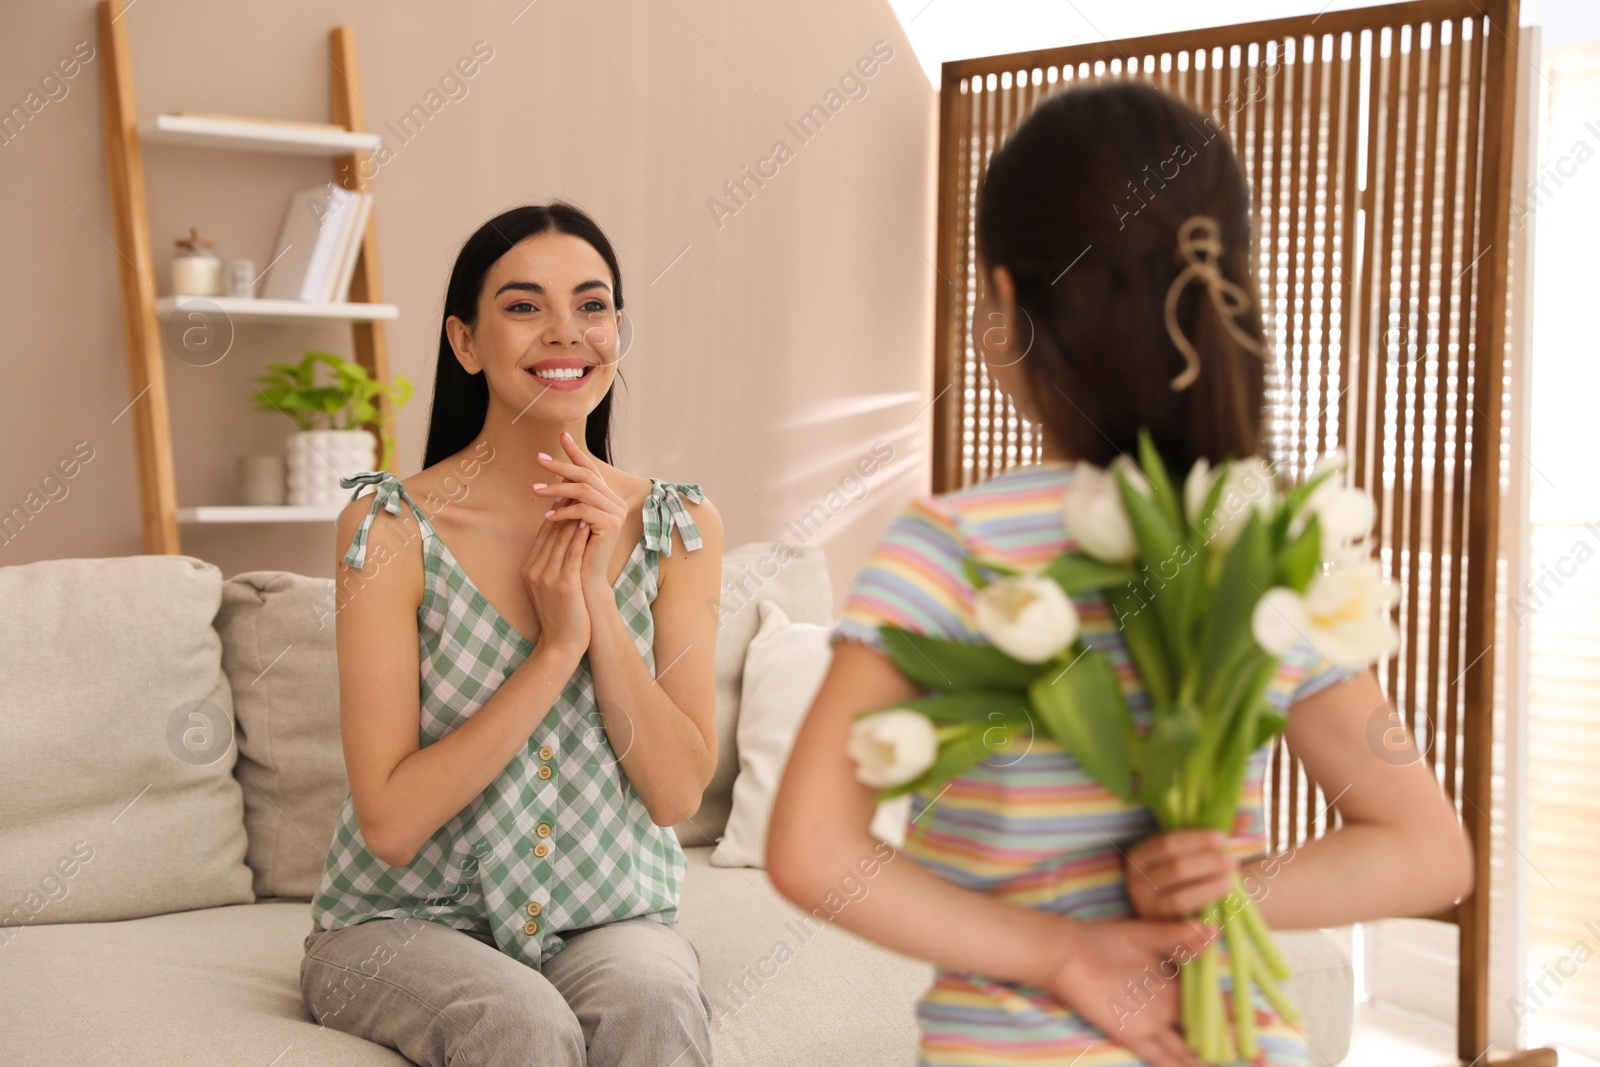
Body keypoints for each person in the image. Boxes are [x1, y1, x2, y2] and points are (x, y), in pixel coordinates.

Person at [765, 80, 1473, 1067]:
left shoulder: (952, 545)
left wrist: (1065, 953)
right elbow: (1430, 851)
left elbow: (808, 848)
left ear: (1004, 303)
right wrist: (1230, 884)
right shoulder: (1260, 542)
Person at [298, 202, 723, 1067]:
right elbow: (390, 822)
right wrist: (555, 650)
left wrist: (598, 604)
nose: (566, 333)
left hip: (602, 918)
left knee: (656, 1002)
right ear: (465, 342)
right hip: (399, 923)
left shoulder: (679, 526)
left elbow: (677, 792)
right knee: (519, 1019)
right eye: (525, 307)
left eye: (593, 306)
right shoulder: (388, 528)